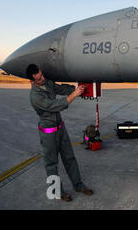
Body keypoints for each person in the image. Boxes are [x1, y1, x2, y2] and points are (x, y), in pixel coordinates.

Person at [26, 64, 93, 202]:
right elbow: (56, 105)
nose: (43, 78)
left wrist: (78, 88)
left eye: (42, 75)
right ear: (32, 81)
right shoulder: (35, 96)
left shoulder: (47, 83)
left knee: (70, 158)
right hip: (48, 133)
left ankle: (78, 185)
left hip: (60, 128)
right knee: (51, 164)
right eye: (39, 78)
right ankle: (57, 192)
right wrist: (75, 94)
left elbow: (61, 88)